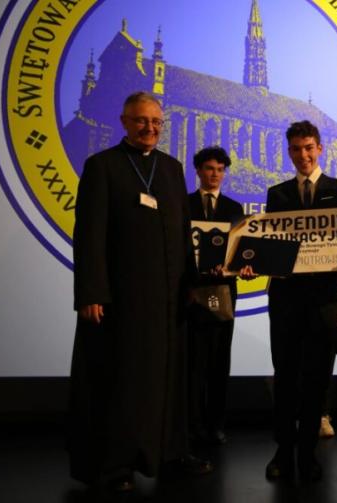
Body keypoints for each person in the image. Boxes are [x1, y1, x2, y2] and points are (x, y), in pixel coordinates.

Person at [67, 91, 211, 492]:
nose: (150, 128)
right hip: (123, 299)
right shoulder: (102, 167)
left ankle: (170, 453)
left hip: (168, 298)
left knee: (169, 379)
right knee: (125, 381)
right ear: (124, 122)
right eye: (141, 121)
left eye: (156, 122)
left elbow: (183, 234)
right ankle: (117, 466)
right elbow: (89, 235)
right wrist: (90, 292)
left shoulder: (171, 168)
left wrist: (191, 285)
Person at [264, 120, 337, 483]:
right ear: (289, 152)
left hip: (324, 299)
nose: (303, 155)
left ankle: (308, 453)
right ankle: (283, 452)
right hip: (286, 299)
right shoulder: (277, 194)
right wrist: (257, 261)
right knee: (285, 378)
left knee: (317, 379)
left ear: (320, 149)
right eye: (296, 149)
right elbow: (270, 244)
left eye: (309, 147)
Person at [187, 146, 245, 447]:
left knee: (220, 362)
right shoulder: (183, 205)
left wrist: (235, 267)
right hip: (191, 292)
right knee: (193, 363)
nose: (215, 174)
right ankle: (192, 425)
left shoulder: (235, 209)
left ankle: (216, 425)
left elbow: (240, 251)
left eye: (220, 170)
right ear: (198, 170)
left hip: (224, 291)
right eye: (209, 168)